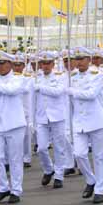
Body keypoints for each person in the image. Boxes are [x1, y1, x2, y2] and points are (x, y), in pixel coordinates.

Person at [0, 51, 27, 204]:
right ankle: (3, 187)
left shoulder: (18, 78)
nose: (0, 67)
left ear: (10, 64)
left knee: (15, 159)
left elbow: (12, 91)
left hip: (15, 124)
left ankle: (16, 190)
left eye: (2, 63)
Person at [68, 47, 103, 204]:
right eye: (77, 59)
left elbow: (91, 95)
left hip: (95, 120)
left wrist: (73, 91)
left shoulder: (97, 74)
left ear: (89, 60)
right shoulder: (73, 77)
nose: (79, 62)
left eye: (82, 59)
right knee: (79, 154)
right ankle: (91, 180)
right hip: (79, 121)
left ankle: (100, 190)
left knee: (99, 157)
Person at [33, 51, 68, 189]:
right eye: (43, 63)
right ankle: (48, 169)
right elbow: (32, 99)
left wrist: (41, 88)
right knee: (41, 147)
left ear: (53, 64)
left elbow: (58, 92)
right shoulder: (37, 78)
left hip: (57, 116)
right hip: (42, 117)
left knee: (59, 147)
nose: (45, 66)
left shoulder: (60, 77)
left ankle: (59, 175)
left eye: (48, 63)